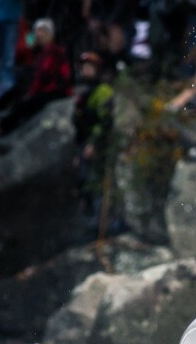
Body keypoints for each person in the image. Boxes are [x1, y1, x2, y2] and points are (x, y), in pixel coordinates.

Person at [0, 18, 72, 135]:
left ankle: (3, 125)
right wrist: (31, 40)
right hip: (46, 87)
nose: (39, 34)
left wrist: (32, 92)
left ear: (51, 34)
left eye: (42, 31)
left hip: (56, 89)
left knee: (28, 102)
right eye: (37, 31)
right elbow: (23, 50)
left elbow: (44, 75)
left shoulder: (54, 51)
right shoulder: (40, 51)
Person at [73, 51, 115, 230]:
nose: (86, 71)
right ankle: (90, 222)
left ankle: (100, 224)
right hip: (84, 144)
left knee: (95, 182)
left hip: (98, 145)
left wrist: (94, 144)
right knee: (83, 182)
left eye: (90, 67)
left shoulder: (103, 91)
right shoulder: (84, 93)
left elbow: (106, 121)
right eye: (84, 67)